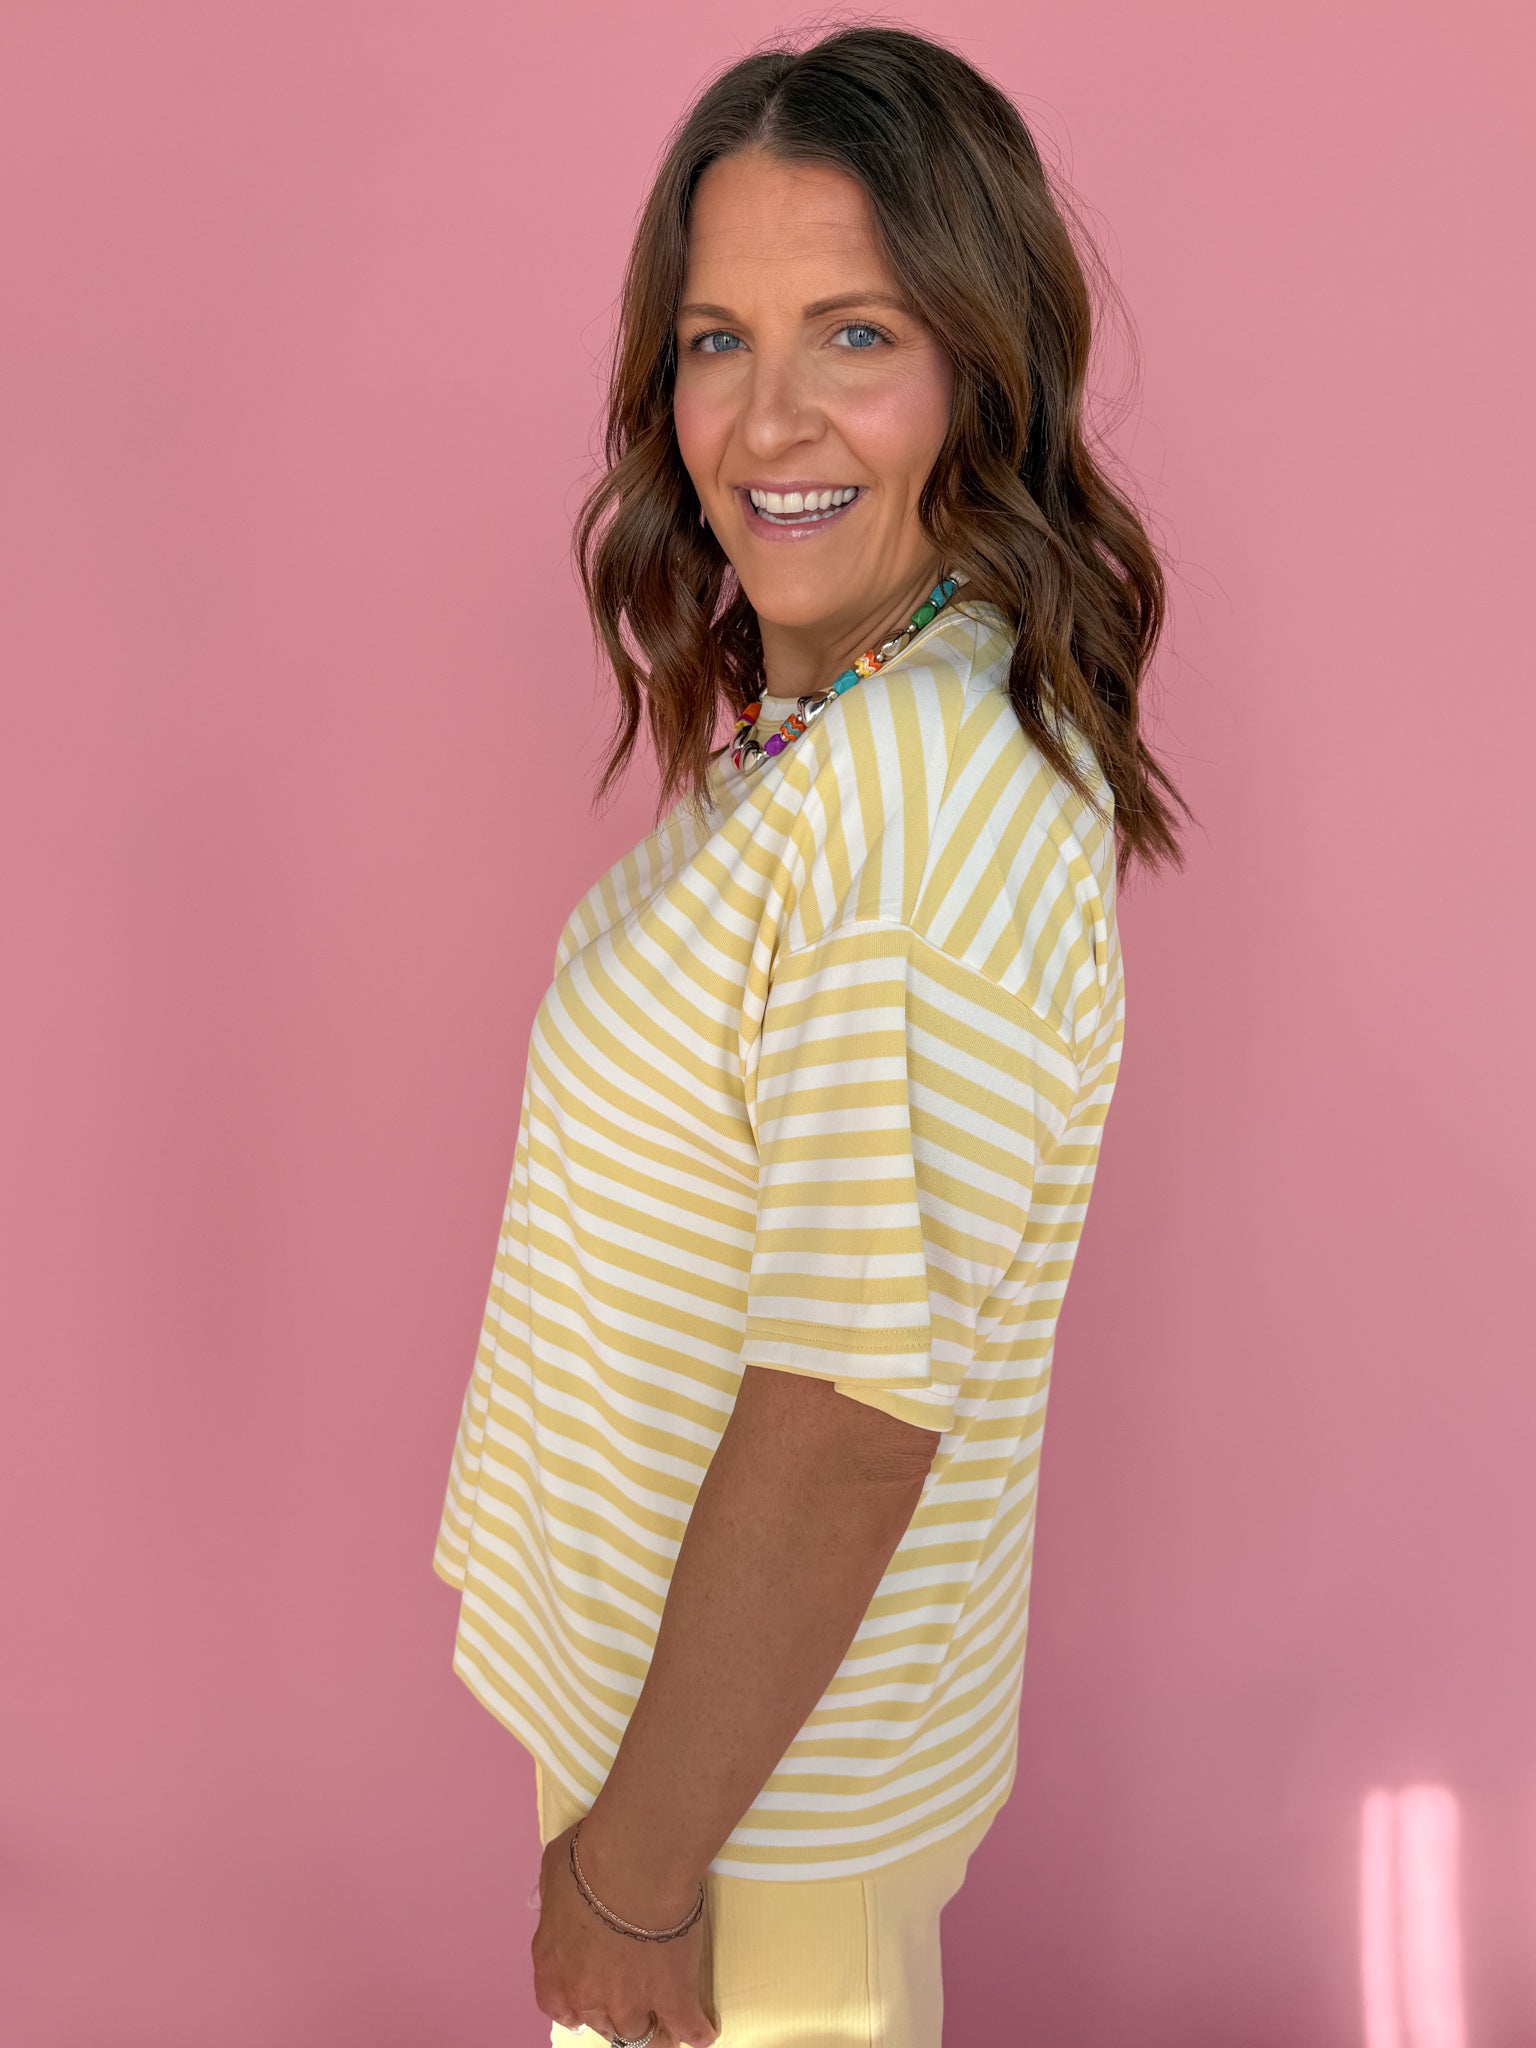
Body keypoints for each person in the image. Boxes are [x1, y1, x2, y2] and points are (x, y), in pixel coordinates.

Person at [432, 25, 1190, 2048]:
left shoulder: (907, 811)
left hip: (743, 1844)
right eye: (717, 340)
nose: (767, 416)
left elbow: (849, 1408)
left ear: (981, 368)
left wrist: (634, 1874)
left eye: (856, 333)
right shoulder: (854, 719)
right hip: (711, 1778)